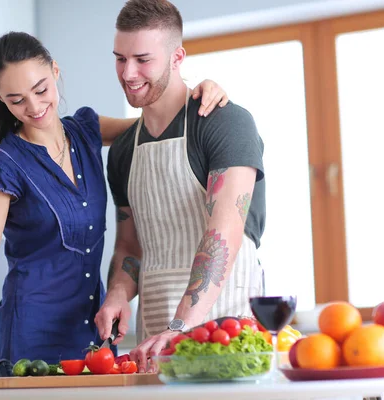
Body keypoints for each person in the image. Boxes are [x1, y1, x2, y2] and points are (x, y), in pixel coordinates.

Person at [0, 31, 229, 378]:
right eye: (16, 100)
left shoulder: (85, 131)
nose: (33, 107)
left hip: (94, 336)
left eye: (41, 89)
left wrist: (199, 95)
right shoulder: (4, 165)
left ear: (56, 71)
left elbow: (157, 125)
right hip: (31, 340)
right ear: (1, 98)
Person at [94, 0, 266, 373]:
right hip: (154, 343)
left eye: (143, 59)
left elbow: (223, 234)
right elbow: (129, 246)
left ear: (177, 57)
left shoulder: (225, 124)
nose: (128, 72)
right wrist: (118, 295)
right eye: (120, 59)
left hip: (228, 334)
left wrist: (181, 326)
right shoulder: (123, 150)